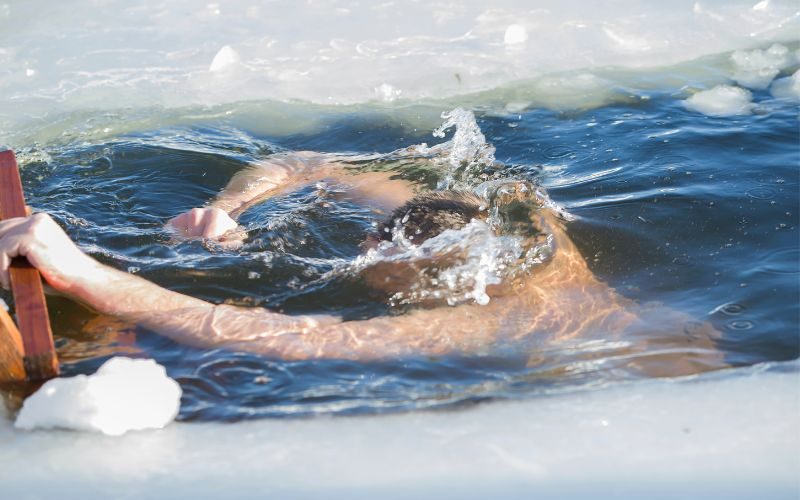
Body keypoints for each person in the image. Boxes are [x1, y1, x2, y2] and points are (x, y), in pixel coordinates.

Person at [0, 152, 723, 375]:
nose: (358, 255)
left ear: (412, 270)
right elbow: (308, 163)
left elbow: (268, 336)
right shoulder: (512, 222)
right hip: (679, 330)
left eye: (374, 261)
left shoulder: (497, 318)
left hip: (658, 381)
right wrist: (228, 208)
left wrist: (79, 271)